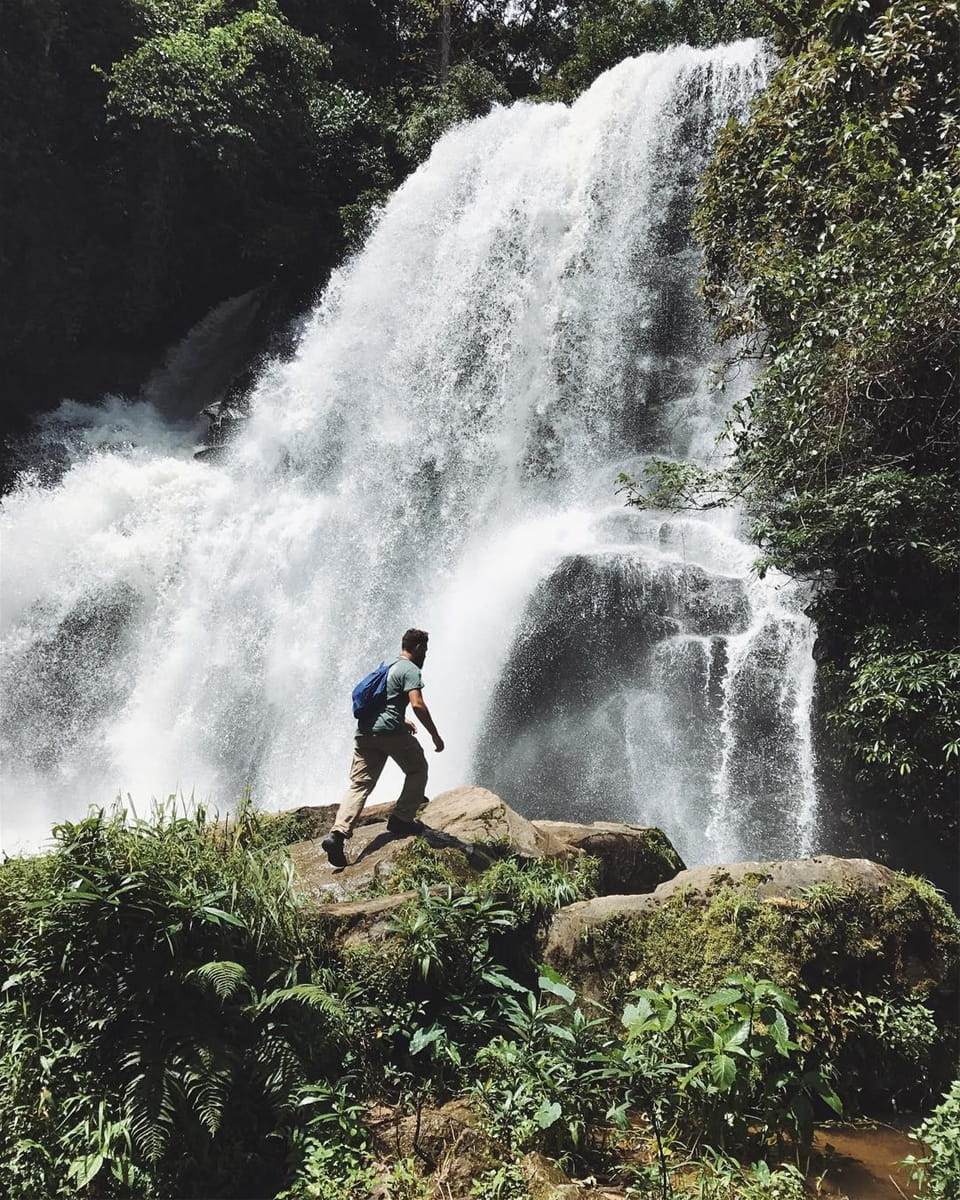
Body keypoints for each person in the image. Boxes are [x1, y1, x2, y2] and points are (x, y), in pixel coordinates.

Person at [322, 628, 444, 868]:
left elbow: (382, 701)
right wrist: (435, 735)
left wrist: (401, 719)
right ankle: (402, 819)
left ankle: (337, 834)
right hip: (390, 733)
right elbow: (417, 704)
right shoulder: (410, 669)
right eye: (425, 650)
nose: (426, 655)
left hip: (366, 733)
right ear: (418, 647)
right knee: (418, 769)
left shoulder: (386, 665)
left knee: (359, 785)